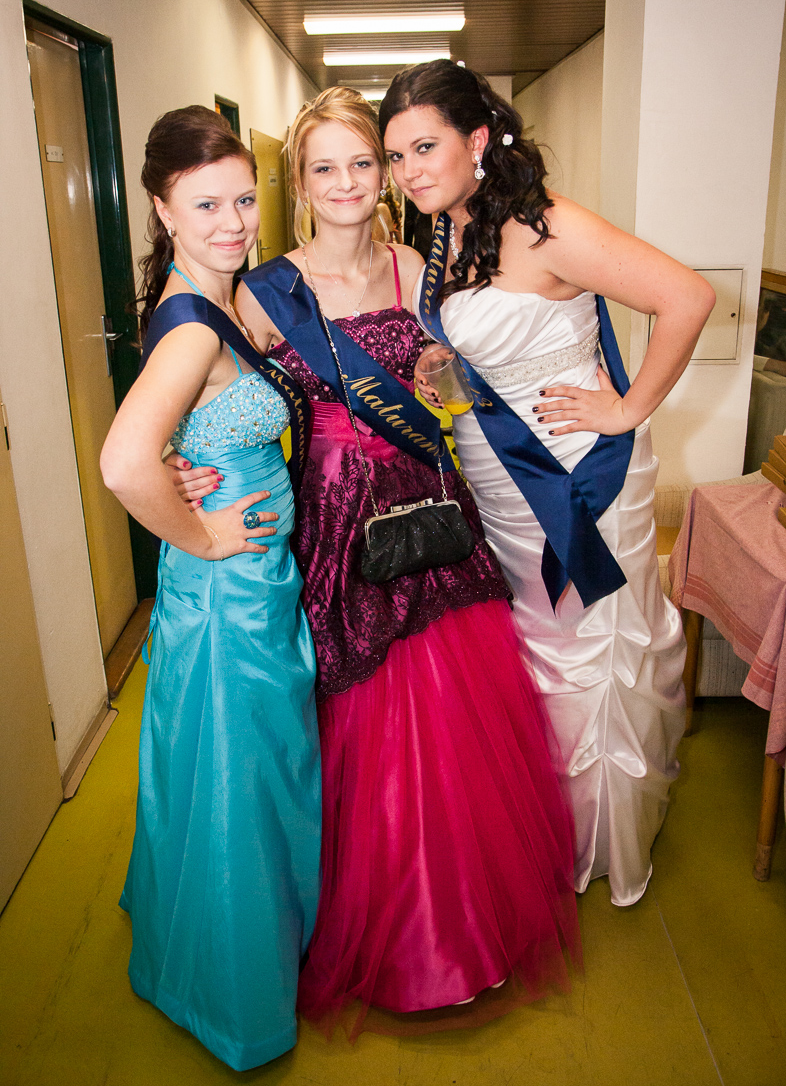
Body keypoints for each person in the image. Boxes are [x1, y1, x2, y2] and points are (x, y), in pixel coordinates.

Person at [169, 87, 579, 1026]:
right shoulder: (262, 290)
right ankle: (382, 935)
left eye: (364, 162)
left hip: (428, 512)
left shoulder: (422, 270)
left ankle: (464, 927)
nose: (347, 182)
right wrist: (181, 464)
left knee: (456, 724)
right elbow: (204, 390)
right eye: (325, 167)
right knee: (364, 733)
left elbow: (451, 384)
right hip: (332, 528)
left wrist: (444, 381)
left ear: (386, 174)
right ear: (300, 180)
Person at [380, 60, 716, 908]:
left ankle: (597, 845)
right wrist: (445, 361)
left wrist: (627, 408)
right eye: (395, 156)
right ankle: (544, 821)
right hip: (498, 480)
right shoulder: (450, 230)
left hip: (577, 475)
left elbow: (687, 296)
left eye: (425, 147)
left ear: (477, 140)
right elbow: (499, 335)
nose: (408, 171)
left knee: (588, 651)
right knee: (536, 651)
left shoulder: (546, 223)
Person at [100, 106, 321, 1071]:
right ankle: (237, 999)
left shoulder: (203, 296)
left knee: (217, 767)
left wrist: (187, 467)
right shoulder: (192, 327)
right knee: (240, 778)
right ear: (162, 208)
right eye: (205, 205)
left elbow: (168, 433)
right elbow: (122, 463)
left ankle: (203, 938)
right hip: (232, 588)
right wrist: (204, 532)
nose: (233, 221)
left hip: (238, 583)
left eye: (242, 198)